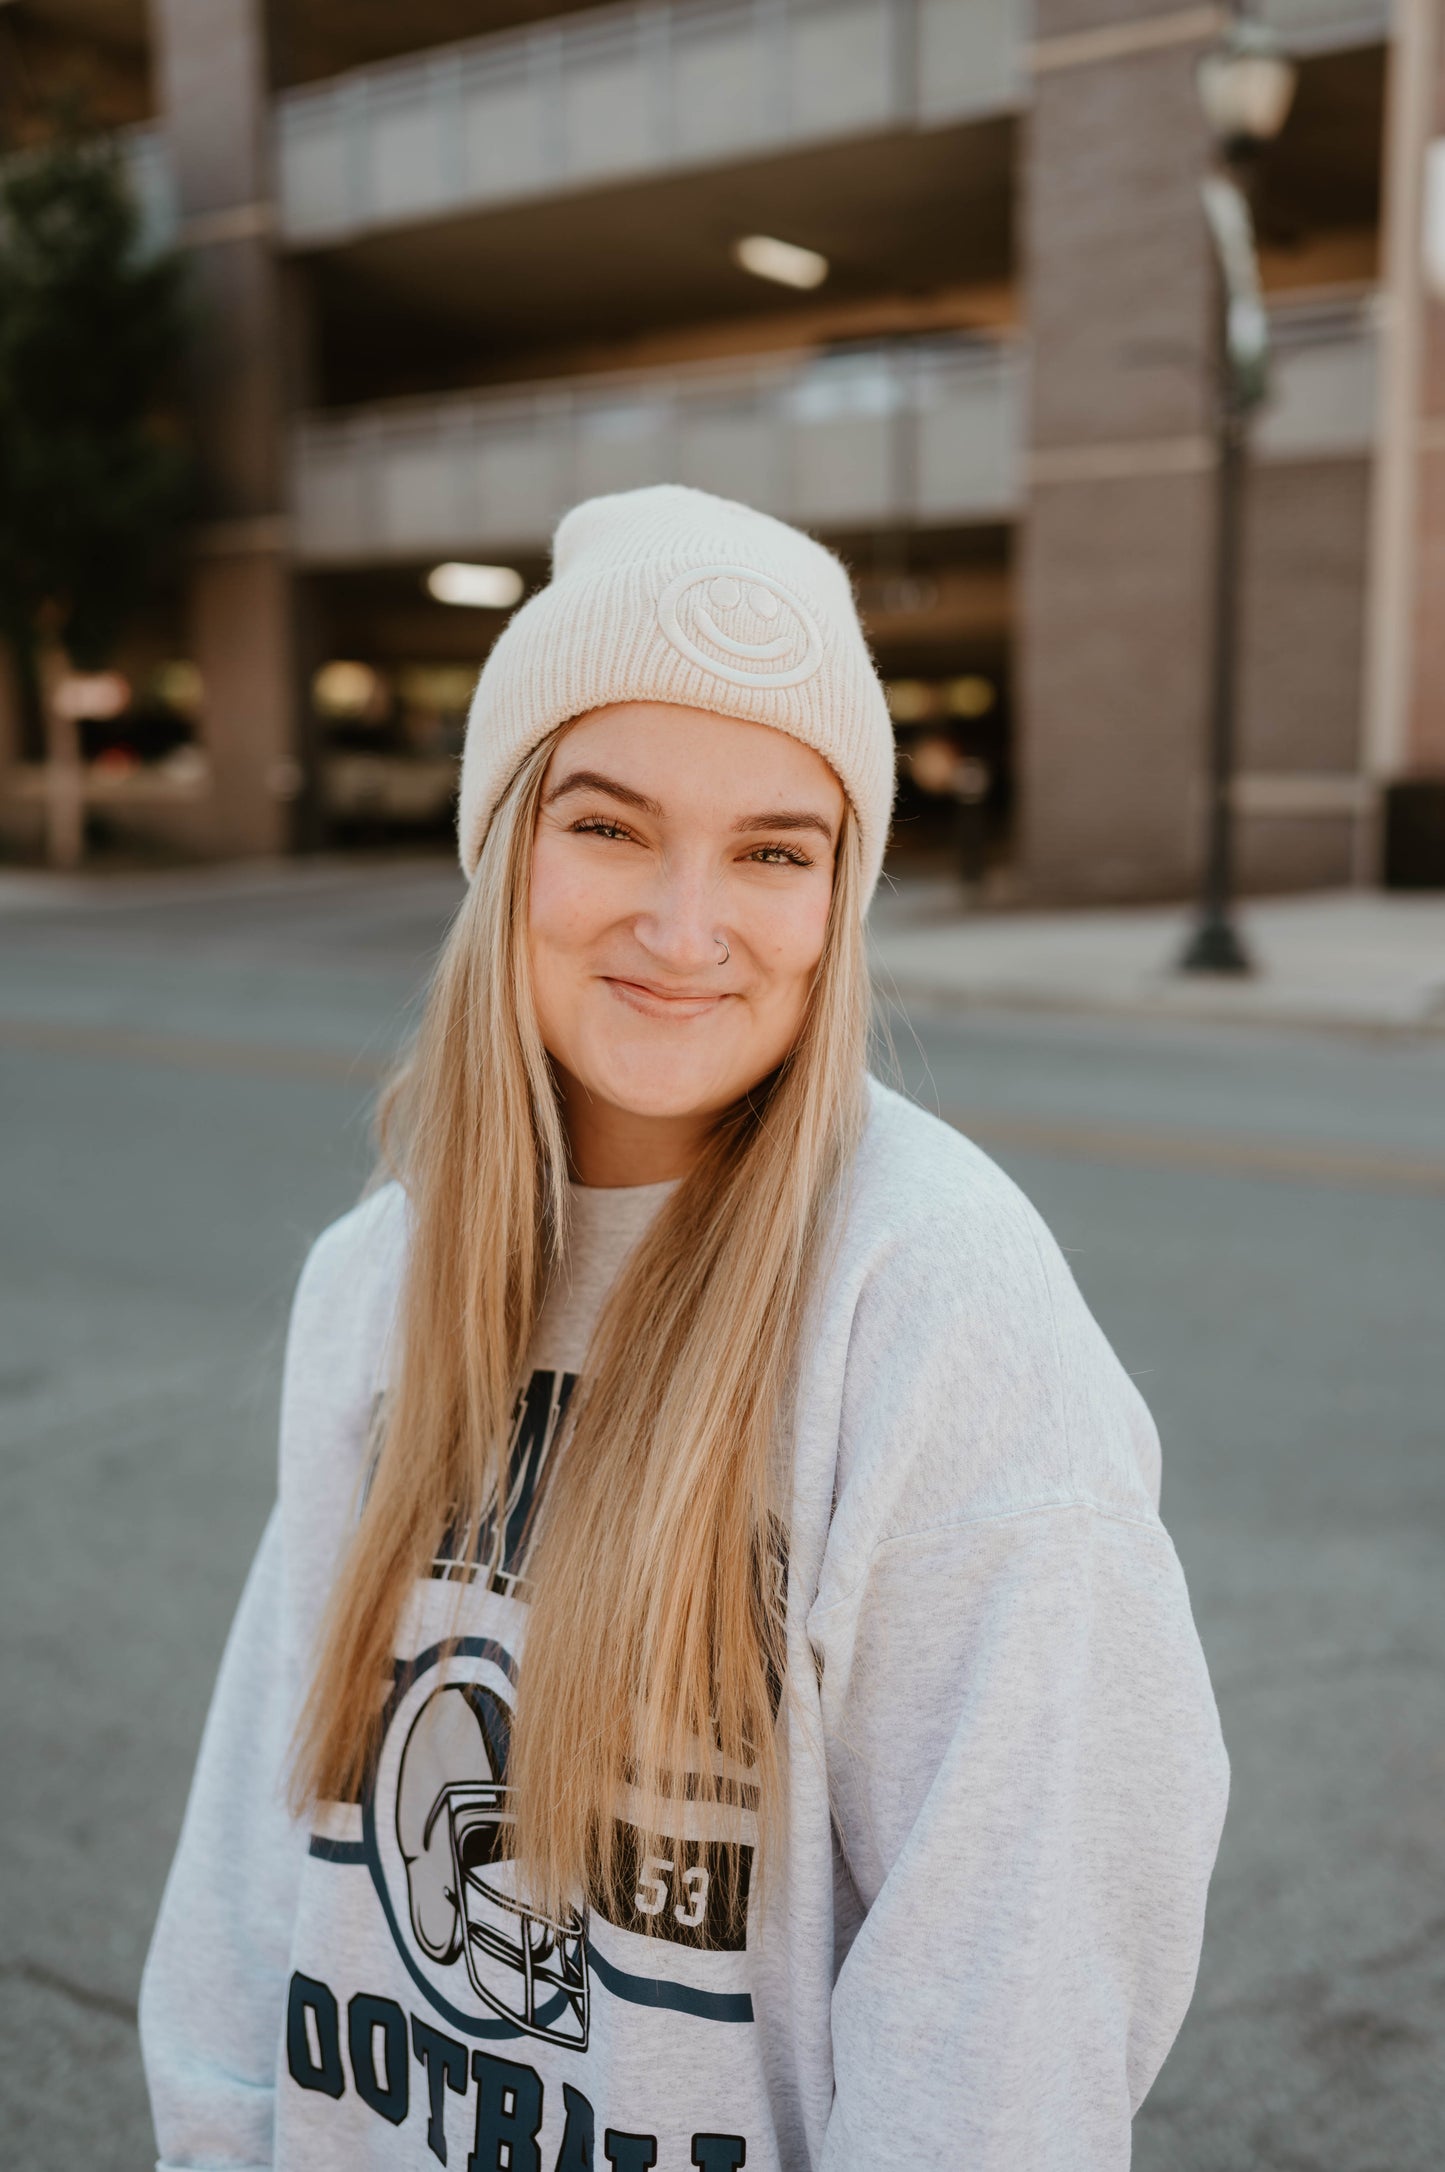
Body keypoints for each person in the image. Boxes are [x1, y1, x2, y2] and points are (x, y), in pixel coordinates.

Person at [140, 484, 1229, 2172]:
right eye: (608, 824)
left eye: (774, 851)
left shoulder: (930, 1301)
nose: (683, 926)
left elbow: (1012, 2003)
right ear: (506, 846)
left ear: (836, 899)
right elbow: (252, 1841)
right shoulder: (380, 1273)